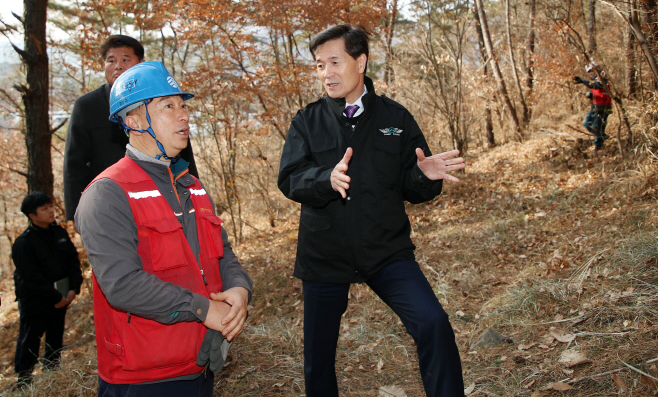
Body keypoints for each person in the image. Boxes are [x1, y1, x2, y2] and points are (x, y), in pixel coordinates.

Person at [278, 24, 466, 397]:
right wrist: (324, 179)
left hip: (385, 249)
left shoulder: (395, 118)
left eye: (335, 62)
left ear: (360, 61)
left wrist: (424, 175)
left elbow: (413, 189)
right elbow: (290, 178)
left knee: (433, 323)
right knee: (318, 357)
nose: (326, 73)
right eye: (319, 65)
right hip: (324, 254)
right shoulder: (307, 121)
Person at [75, 61, 252, 396]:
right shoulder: (107, 193)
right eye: (168, 106)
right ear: (134, 121)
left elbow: (223, 254)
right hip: (145, 377)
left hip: (201, 362)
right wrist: (203, 309)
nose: (183, 115)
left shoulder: (190, 185)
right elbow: (123, 285)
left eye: (183, 104)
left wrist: (240, 291)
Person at [64, 35, 198, 223]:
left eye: (125, 59)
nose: (118, 66)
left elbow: (183, 152)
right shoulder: (87, 106)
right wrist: (76, 214)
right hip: (109, 201)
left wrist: (194, 194)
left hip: (162, 196)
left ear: (141, 63)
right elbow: (74, 165)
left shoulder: (160, 100)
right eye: (111, 60)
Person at [12, 192, 83, 388]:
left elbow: (73, 261)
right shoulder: (24, 243)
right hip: (36, 303)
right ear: (32, 216)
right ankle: (24, 380)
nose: (51, 210)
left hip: (61, 299)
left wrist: (73, 289)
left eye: (50, 206)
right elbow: (30, 277)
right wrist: (54, 297)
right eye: (44, 208)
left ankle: (53, 375)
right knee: (30, 340)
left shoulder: (59, 233)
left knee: (55, 337)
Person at [574, 63, 613, 150]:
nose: (590, 73)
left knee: (598, 126)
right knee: (586, 123)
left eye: (591, 70)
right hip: (594, 106)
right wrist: (590, 95)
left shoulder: (603, 77)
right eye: (588, 71)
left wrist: (583, 82)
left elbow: (597, 85)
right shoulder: (593, 79)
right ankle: (602, 136)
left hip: (604, 106)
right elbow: (595, 89)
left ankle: (599, 146)